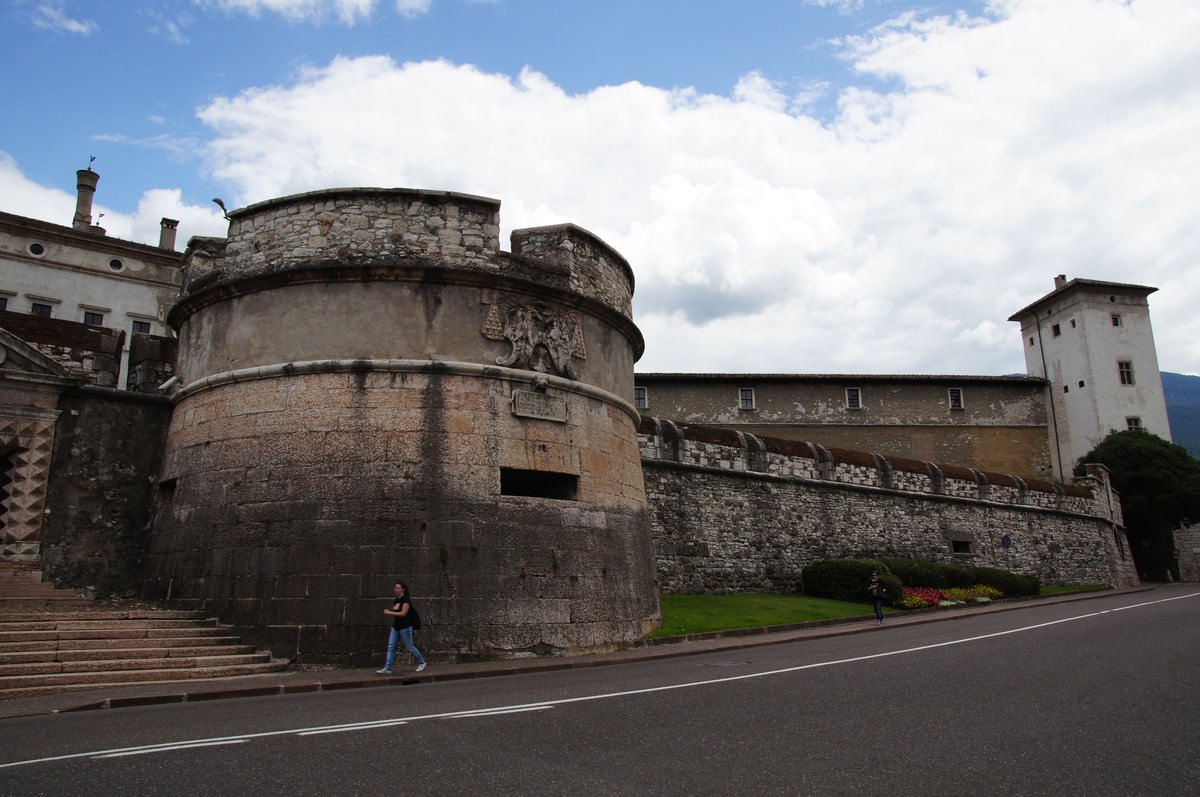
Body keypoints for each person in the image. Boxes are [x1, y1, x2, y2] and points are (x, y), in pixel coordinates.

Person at [377, 581, 426, 674]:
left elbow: (403, 613)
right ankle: (388, 668)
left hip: (405, 627)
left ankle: (421, 662)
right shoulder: (396, 600)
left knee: (409, 647)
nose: (396, 590)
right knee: (391, 647)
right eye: (395, 588)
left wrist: (390, 612)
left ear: (403, 590)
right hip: (396, 627)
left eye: (398, 588)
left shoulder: (406, 600)